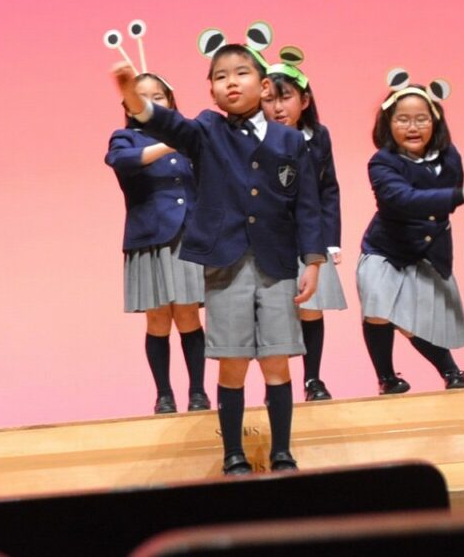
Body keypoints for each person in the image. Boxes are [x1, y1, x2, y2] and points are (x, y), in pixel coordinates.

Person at [112, 26, 324, 475]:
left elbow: (307, 204)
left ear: (263, 86)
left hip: (277, 263)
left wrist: (313, 260)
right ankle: (232, 453)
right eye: (221, 75)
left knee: (277, 360)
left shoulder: (290, 140)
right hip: (225, 264)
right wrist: (134, 98)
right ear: (210, 89)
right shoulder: (207, 129)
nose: (231, 81)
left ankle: (282, 451)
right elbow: (168, 124)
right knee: (232, 361)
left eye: (241, 72)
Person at [358, 71, 464, 395]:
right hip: (384, 251)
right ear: (388, 123)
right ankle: (387, 378)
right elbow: (402, 199)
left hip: (428, 252)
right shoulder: (381, 163)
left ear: (435, 121)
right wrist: (459, 195)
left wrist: (455, 196)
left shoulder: (449, 156)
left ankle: (451, 371)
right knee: (378, 309)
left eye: (421, 119)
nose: (412, 127)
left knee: (419, 321)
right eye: (402, 119)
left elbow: (446, 200)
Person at [106, 72, 210, 415]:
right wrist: (169, 142)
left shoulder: (192, 138)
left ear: (171, 101)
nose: (151, 102)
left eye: (158, 96)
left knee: (188, 314)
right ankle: (164, 395)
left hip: (188, 236)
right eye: (142, 97)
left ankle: (198, 393)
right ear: (129, 106)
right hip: (149, 239)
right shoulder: (125, 138)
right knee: (158, 318)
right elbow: (120, 161)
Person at [262, 49, 346, 401]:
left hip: (309, 237)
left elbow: (329, 189)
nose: (278, 107)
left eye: (285, 98)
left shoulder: (318, 136)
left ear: (305, 100)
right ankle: (275, 386)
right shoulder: (255, 138)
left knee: (311, 308)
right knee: (274, 313)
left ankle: (313, 380)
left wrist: (331, 240)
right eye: (269, 100)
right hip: (270, 238)